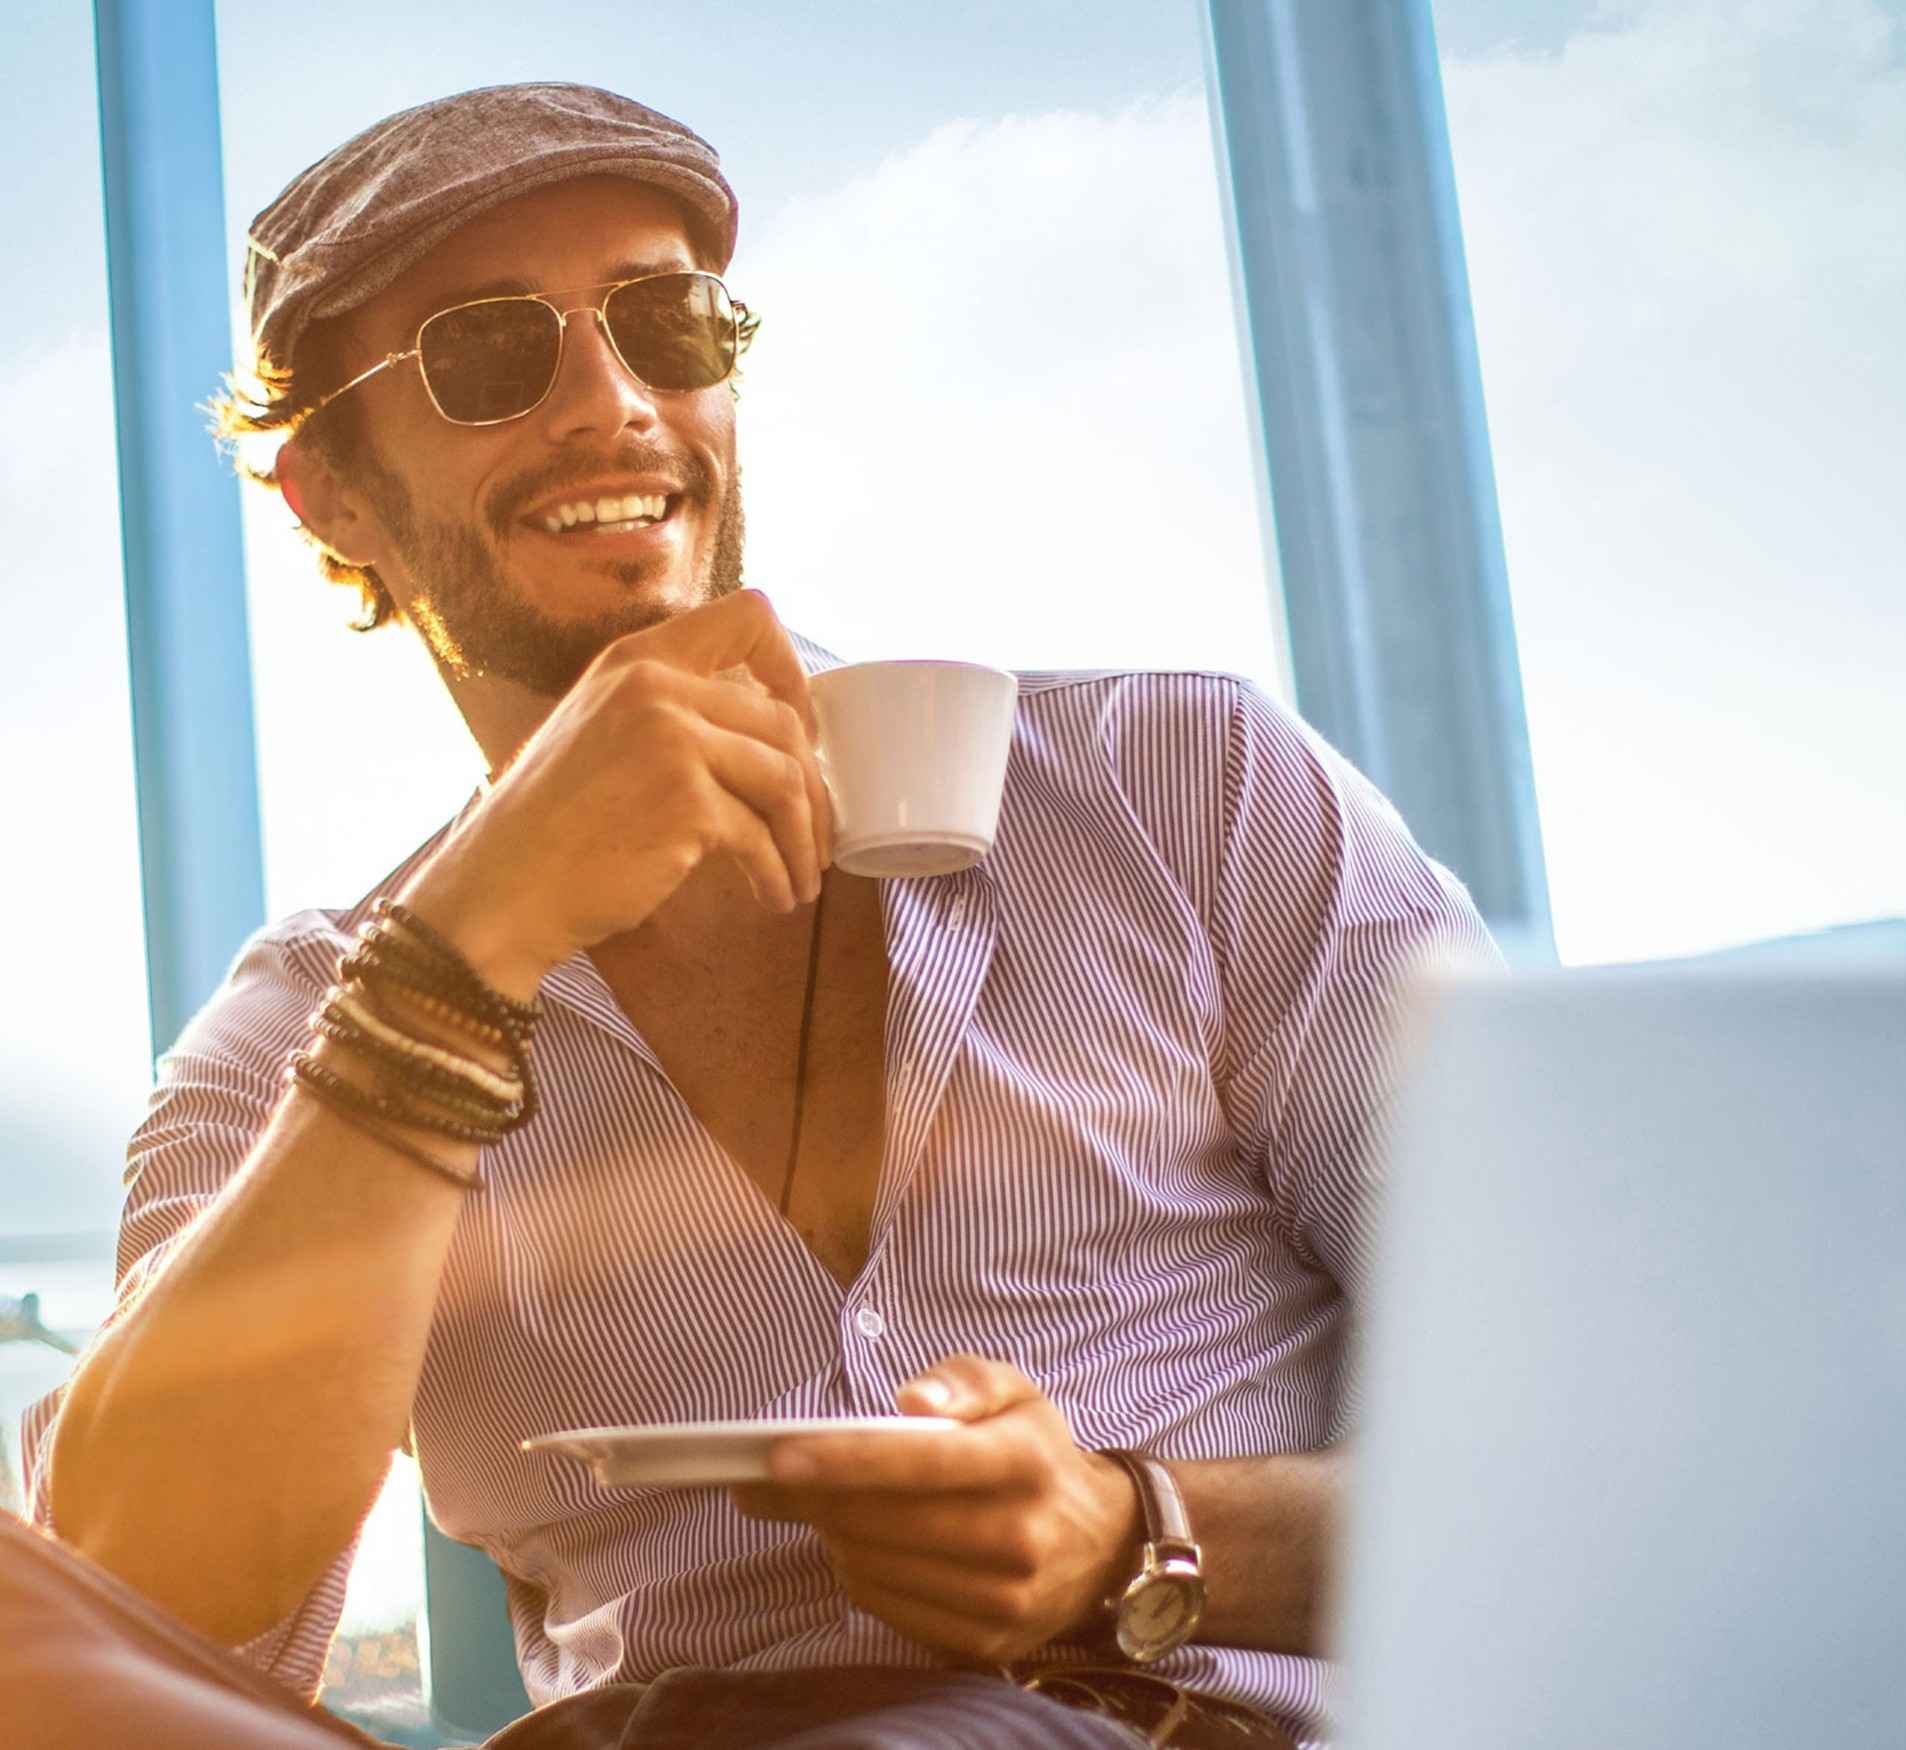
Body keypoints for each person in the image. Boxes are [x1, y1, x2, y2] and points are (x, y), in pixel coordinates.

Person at [16, 82, 1493, 1750]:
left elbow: (1596, 1443)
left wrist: (1134, 1532)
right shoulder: (302, 1036)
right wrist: (458, 959)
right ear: (330, 497)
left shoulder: (1185, 790)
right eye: (487, 355)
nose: (615, 401)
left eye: (667, 321)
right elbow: (115, 1628)